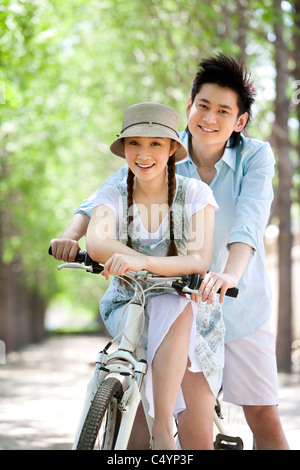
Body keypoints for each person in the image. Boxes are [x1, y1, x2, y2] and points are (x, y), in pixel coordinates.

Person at [51, 54, 289, 450]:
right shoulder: (164, 149)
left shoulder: (255, 156)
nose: (209, 118)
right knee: (157, 417)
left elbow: (250, 221)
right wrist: (72, 233)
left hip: (236, 297)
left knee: (262, 413)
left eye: (223, 111)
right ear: (189, 107)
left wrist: (228, 274)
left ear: (240, 121)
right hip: (171, 294)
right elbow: (107, 191)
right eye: (203, 106)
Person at [83, 101, 223, 450]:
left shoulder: (195, 195)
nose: (143, 154)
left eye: (155, 143)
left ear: (173, 148)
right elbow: (98, 241)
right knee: (129, 447)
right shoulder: (114, 193)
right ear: (124, 149)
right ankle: (157, 432)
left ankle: (164, 428)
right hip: (129, 308)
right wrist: (132, 259)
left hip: (189, 317)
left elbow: (198, 261)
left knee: (197, 442)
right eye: (134, 143)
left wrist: (138, 262)